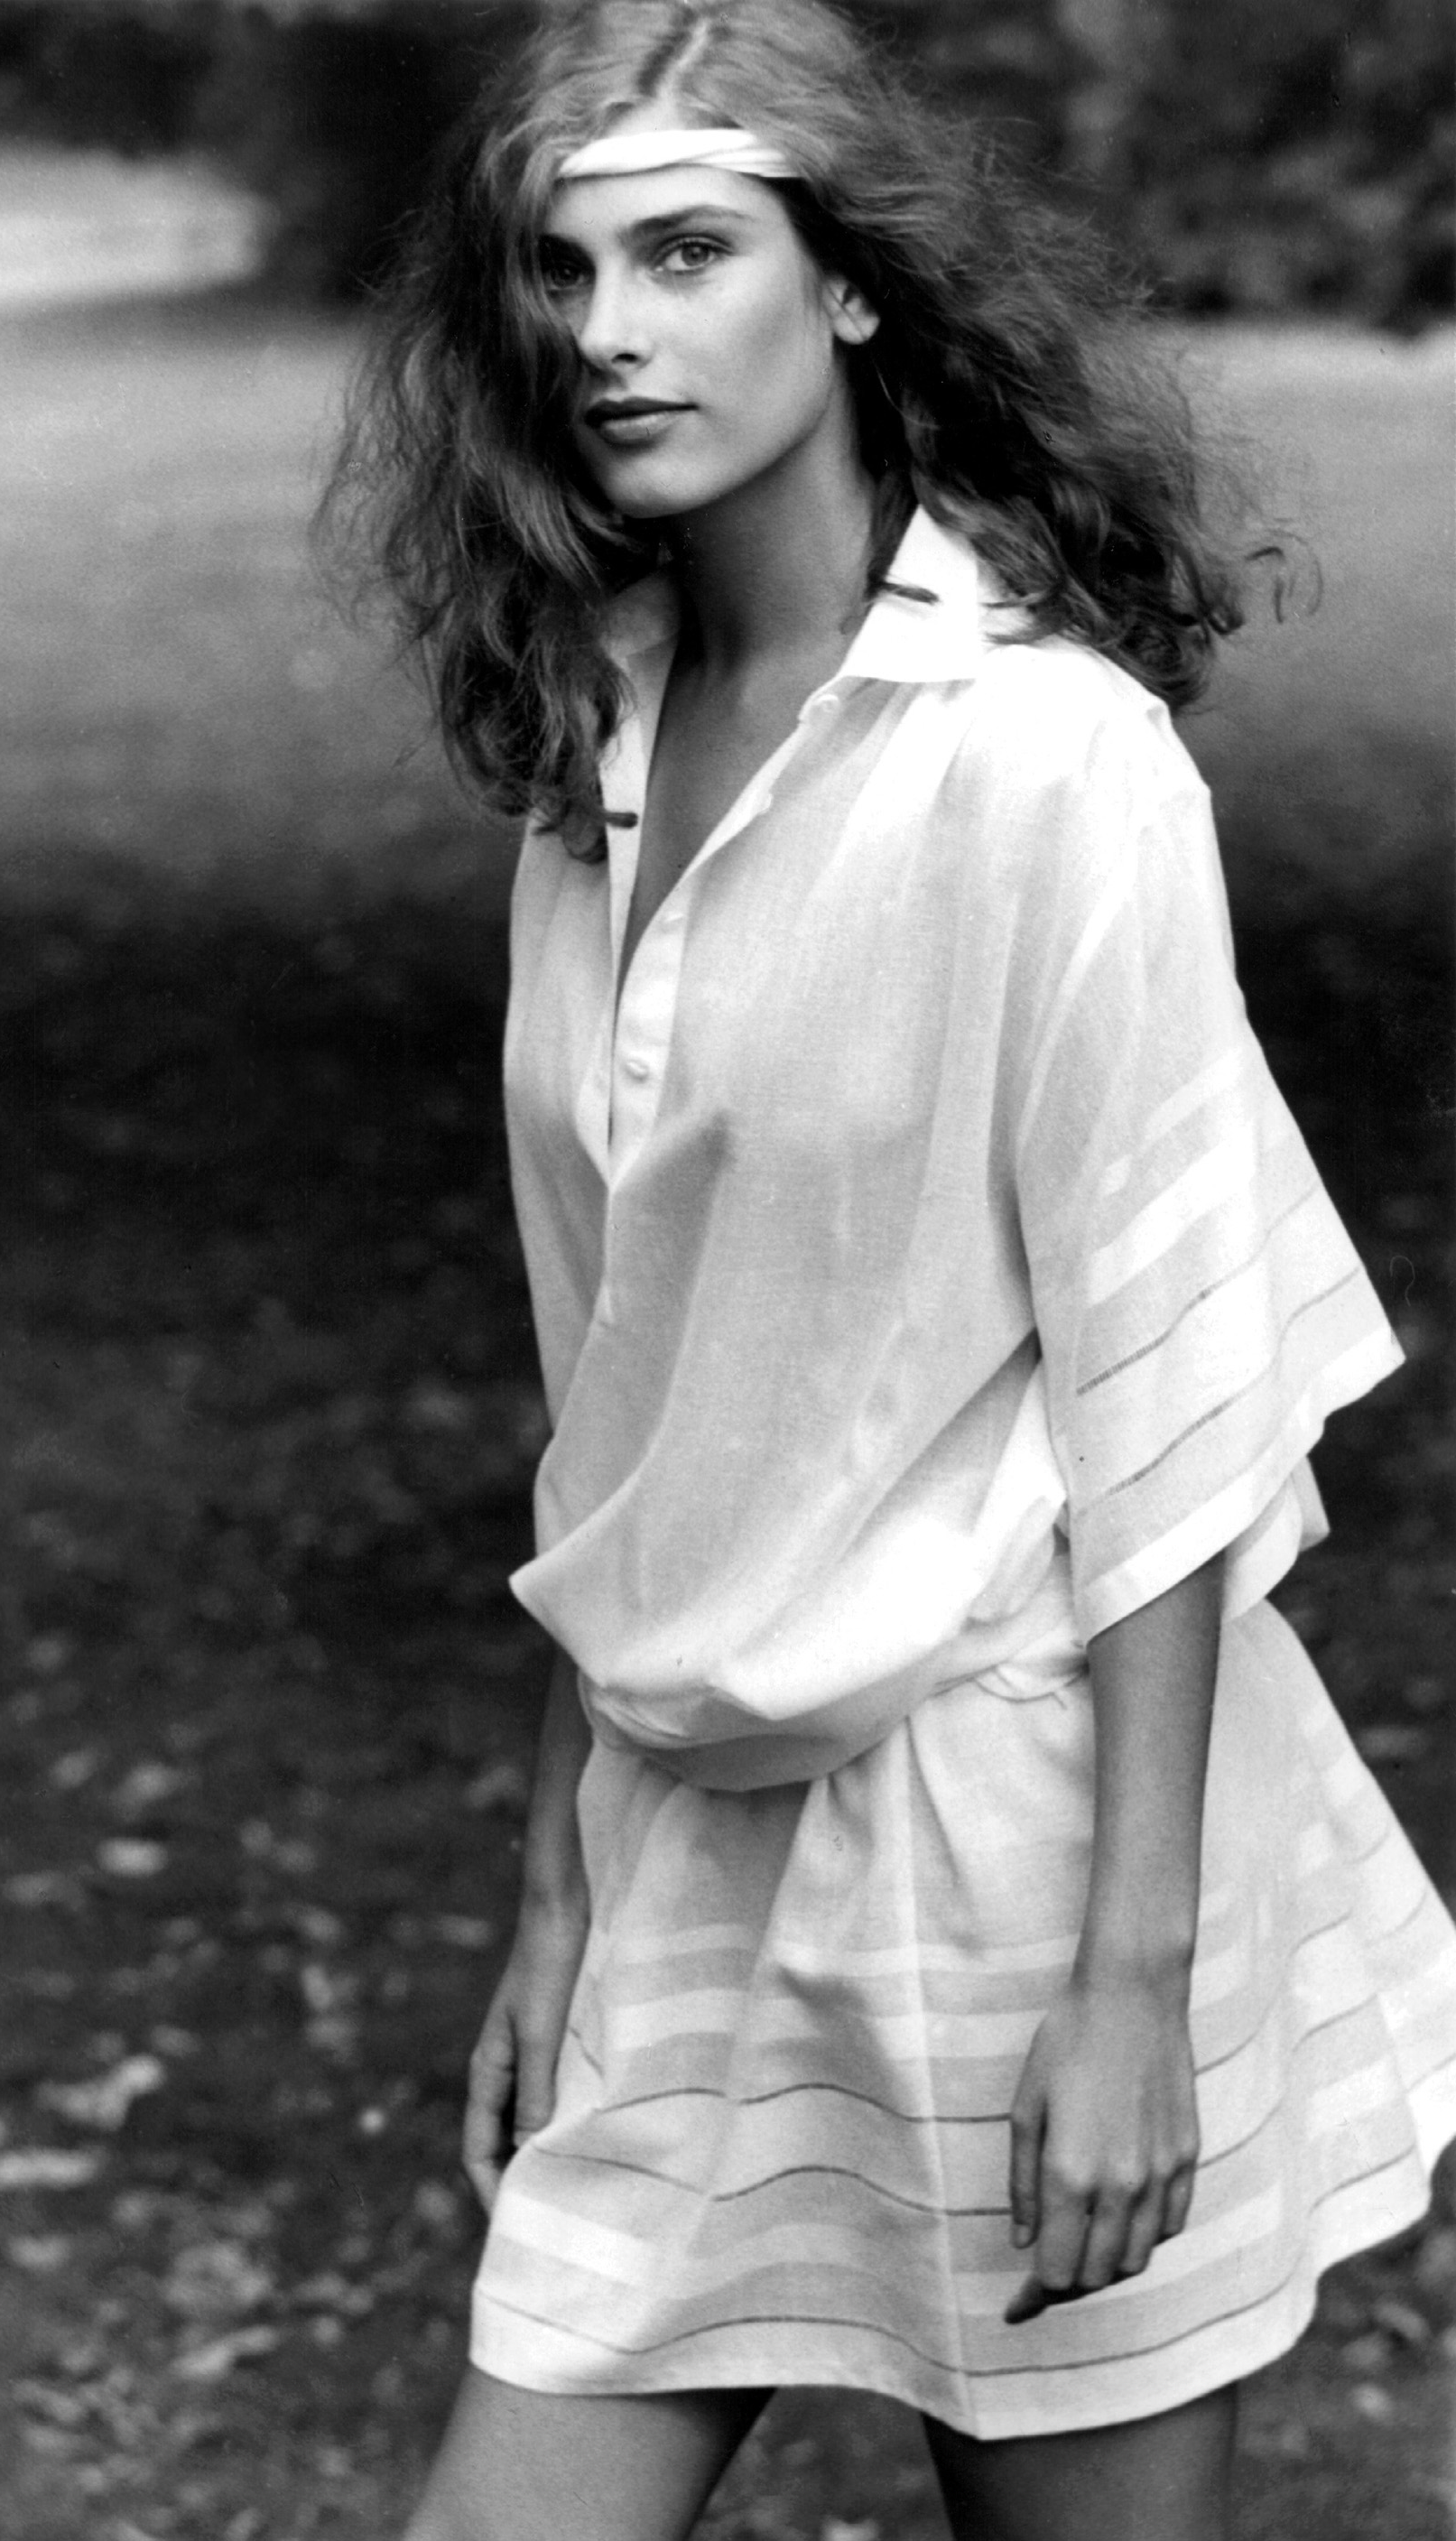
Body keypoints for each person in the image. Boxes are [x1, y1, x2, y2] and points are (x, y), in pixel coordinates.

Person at [324, 4, 1456, 2533]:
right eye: (559, 271)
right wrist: (558, 1872)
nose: (607, 331)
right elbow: (625, 1391)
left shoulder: (1046, 759)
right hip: (687, 1826)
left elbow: (1169, 1388)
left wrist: (1133, 1987)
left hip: (1023, 1827)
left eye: (685, 253)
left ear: (846, 284)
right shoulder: (588, 753)